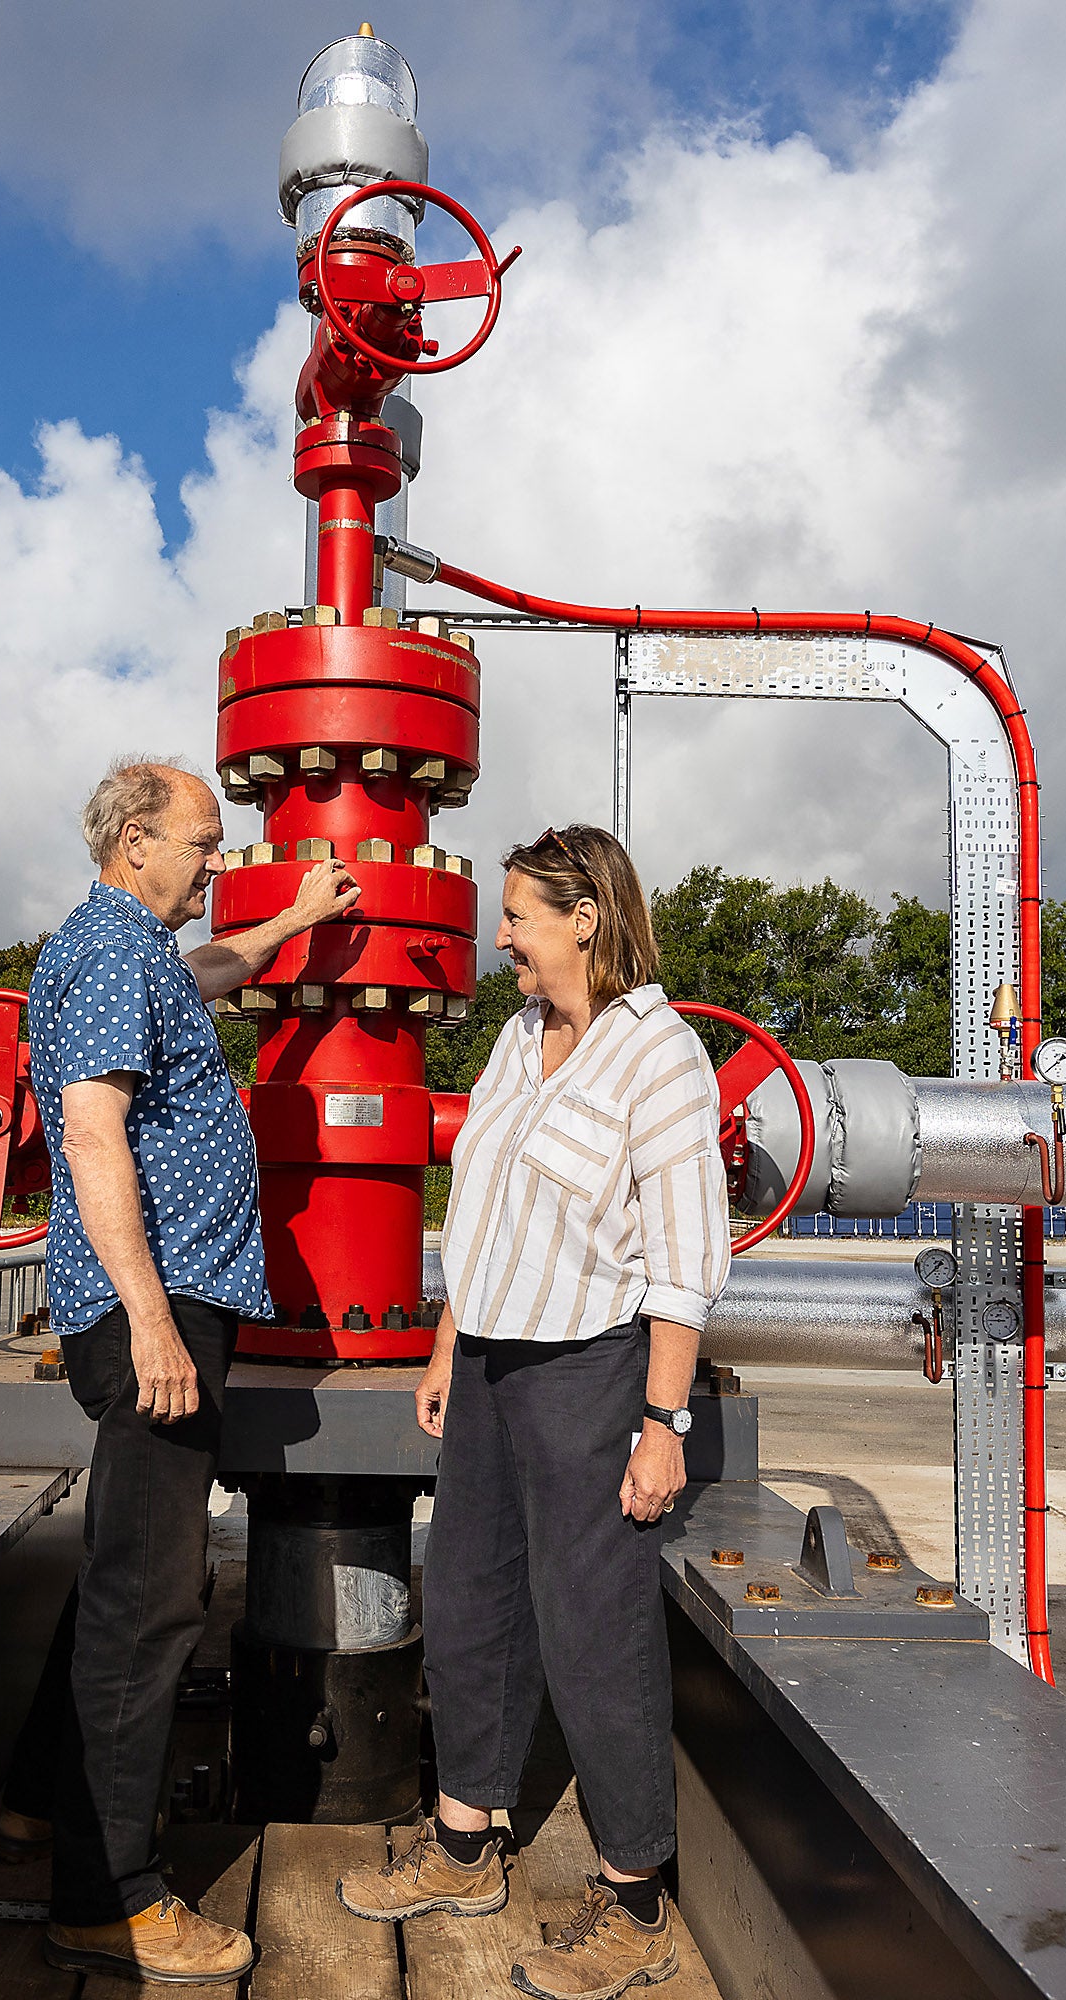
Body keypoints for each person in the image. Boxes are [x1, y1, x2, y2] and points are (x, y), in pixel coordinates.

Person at [337, 823, 731, 2000]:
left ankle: (633, 1899)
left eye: (516, 913)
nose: (496, 934)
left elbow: (683, 1259)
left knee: (593, 1625)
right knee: (468, 1597)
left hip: (589, 1370)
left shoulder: (661, 1057)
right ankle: (463, 1845)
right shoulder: (519, 1038)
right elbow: (486, 1206)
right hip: (494, 1361)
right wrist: (452, 1337)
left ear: (585, 917)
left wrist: (664, 1424)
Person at [0, 754, 358, 1986]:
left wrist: (295, 924)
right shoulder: (108, 956)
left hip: (166, 1303)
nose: (218, 859)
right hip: (158, 1312)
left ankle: (42, 1802)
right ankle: (109, 1898)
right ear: (136, 839)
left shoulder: (137, 953)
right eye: (204, 841)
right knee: (152, 1599)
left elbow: (207, 975)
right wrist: (151, 1318)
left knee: (122, 1569)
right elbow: (94, 1129)